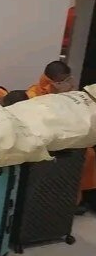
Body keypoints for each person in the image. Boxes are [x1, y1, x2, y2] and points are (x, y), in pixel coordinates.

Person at [26, 62, 93, 214]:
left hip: (66, 135)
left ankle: (76, 198)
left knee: (88, 154)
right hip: (46, 140)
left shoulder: (67, 93)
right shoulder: (33, 95)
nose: (69, 83)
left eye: (69, 79)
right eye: (64, 81)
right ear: (51, 81)